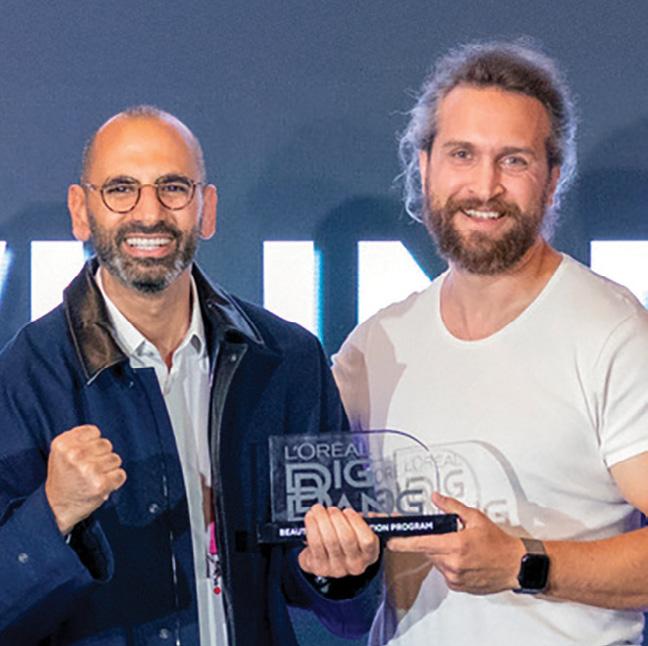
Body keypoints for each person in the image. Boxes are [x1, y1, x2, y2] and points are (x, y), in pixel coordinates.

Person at [0, 105, 380, 645]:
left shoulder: (286, 360)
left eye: (173, 188)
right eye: (121, 189)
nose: (149, 213)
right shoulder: (24, 377)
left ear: (207, 209)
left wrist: (339, 568)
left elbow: (344, 599)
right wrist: (54, 511)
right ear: (81, 210)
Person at [332, 40, 648, 645]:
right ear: (424, 166)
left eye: (514, 161)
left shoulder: (613, 335)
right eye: (462, 154)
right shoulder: (377, 344)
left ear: (552, 179)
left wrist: (523, 564)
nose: (485, 186)